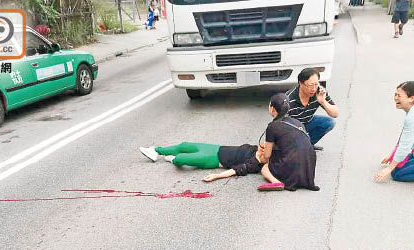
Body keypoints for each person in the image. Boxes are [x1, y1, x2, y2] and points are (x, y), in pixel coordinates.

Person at [139, 93, 319, 191]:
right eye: (265, 148)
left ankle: (167, 156)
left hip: (216, 160)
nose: (264, 149)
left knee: (179, 159)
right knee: (185, 144)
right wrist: (262, 149)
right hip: (218, 148)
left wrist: (217, 175)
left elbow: (237, 170)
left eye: (266, 153)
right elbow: (275, 146)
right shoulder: (260, 148)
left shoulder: (255, 163)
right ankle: (156, 150)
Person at [286, 68, 339, 151]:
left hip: (308, 121)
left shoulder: (319, 91)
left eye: (316, 84)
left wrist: (323, 102)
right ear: (301, 83)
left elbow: (335, 113)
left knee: (330, 122)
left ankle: (308, 144)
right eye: (310, 85)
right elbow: (280, 124)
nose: (313, 89)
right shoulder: (289, 99)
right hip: (294, 128)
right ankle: (298, 146)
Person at [375, 82, 414, 182]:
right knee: (397, 164)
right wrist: (393, 156)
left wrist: (389, 168)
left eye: (399, 95)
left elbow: (406, 144)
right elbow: (406, 138)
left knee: (398, 174)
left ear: (411, 98)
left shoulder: (411, 117)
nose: (395, 98)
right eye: (395, 94)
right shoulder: (411, 112)